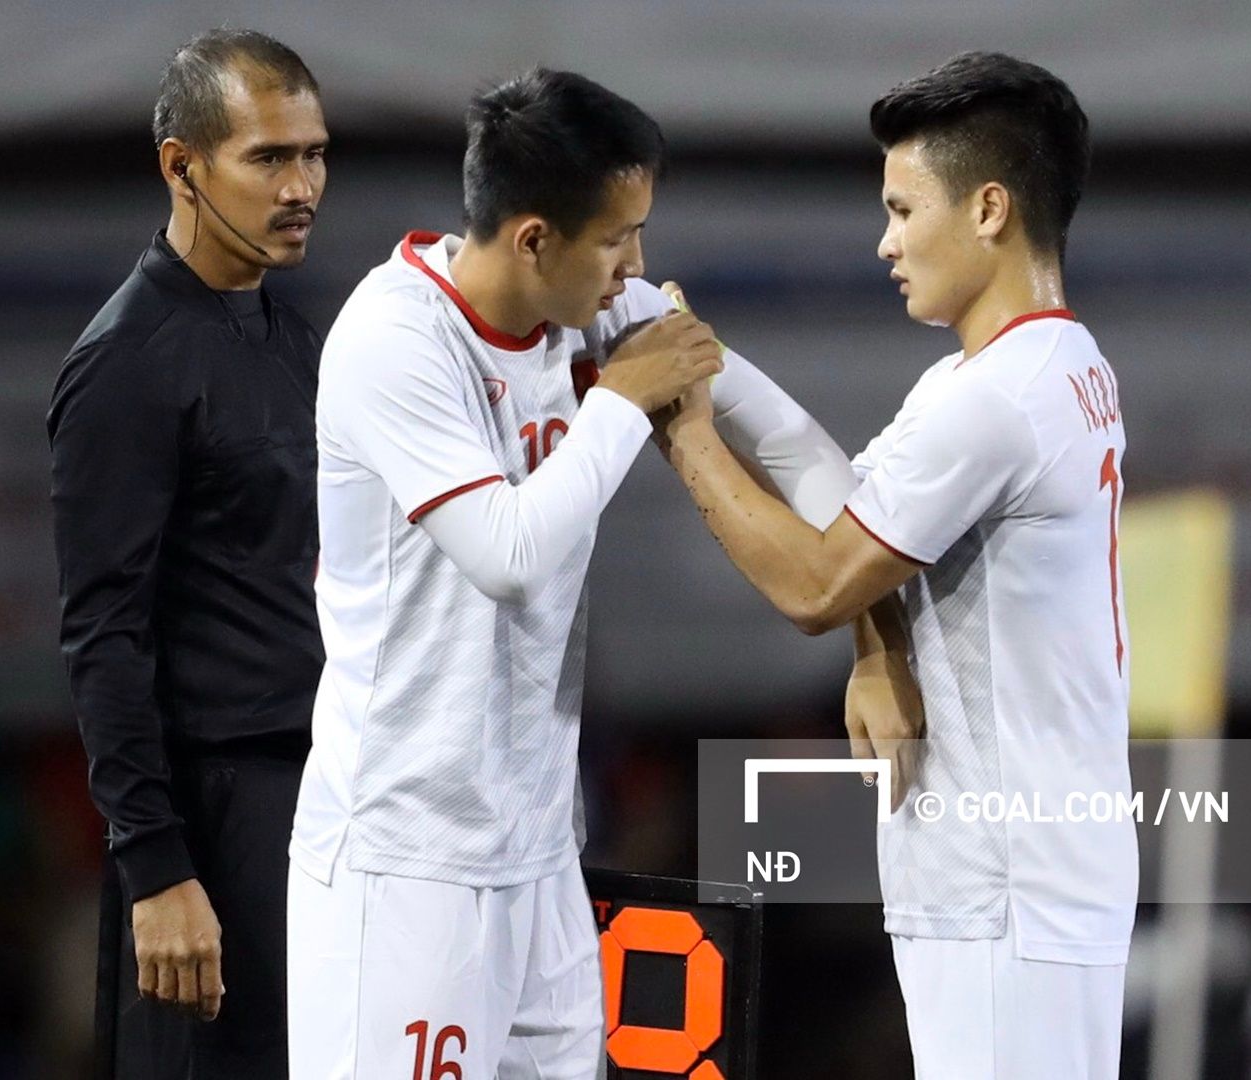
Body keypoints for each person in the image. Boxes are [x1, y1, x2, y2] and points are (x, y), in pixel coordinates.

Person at [284, 68, 887, 1079]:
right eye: (617, 238)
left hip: (538, 853)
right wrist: (622, 401)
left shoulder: (604, 312)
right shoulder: (392, 341)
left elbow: (789, 441)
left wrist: (880, 616)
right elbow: (509, 557)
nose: (637, 266)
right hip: (405, 866)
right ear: (532, 239)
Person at [654, 52, 1137, 1078]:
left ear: (990, 209)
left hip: (1006, 883)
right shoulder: (1044, 367)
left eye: (902, 208)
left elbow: (819, 583)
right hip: (1029, 873)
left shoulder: (993, 402)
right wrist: (697, 353)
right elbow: (839, 492)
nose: (885, 242)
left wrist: (681, 429)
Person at [47, 28, 328, 1080]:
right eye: (269, 158)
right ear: (182, 166)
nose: (302, 186)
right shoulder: (125, 362)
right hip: (210, 822)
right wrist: (156, 866)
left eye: (314, 154)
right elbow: (100, 636)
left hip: (316, 800)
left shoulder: (295, 340)